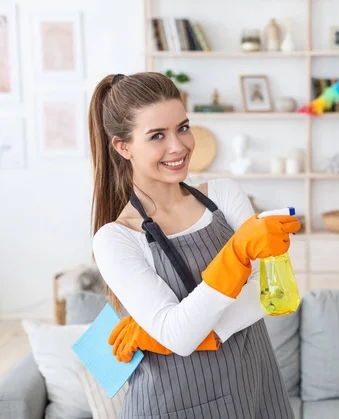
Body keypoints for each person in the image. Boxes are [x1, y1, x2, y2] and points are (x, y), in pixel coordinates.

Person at [89, 71, 299, 418]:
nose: (179, 146)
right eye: (157, 135)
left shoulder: (223, 194)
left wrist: (186, 330)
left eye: (182, 128)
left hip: (255, 388)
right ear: (122, 146)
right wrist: (235, 256)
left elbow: (274, 293)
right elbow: (180, 337)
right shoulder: (115, 238)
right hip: (172, 404)